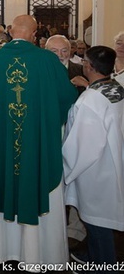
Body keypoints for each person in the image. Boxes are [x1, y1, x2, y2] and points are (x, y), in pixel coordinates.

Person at [0, 14, 78, 266]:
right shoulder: (47, 60)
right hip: (36, 145)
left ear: (10, 30)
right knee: (37, 179)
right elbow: (66, 99)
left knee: (1, 177)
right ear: (35, 32)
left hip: (1, 146)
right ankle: (39, 254)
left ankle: (0, 251)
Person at [62, 46, 124, 268]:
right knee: (100, 223)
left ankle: (104, 267)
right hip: (113, 164)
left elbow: (83, 145)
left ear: (89, 66)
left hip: (95, 171)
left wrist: (66, 166)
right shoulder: (116, 88)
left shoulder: (89, 100)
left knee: (98, 225)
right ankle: (92, 258)